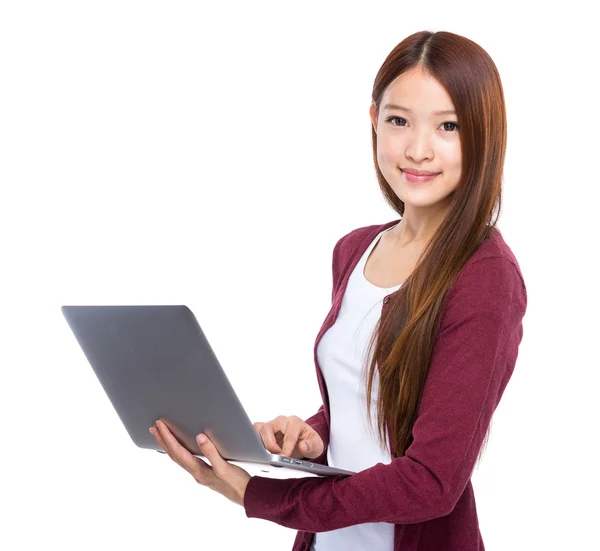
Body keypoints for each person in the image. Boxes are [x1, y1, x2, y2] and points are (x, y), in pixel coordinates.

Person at [150, 29, 528, 551]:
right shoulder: (354, 250)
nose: (418, 150)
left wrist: (261, 497)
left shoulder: (485, 276)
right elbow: (364, 406)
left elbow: (432, 482)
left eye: (448, 126)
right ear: (374, 122)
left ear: (484, 136)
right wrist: (312, 436)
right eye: (399, 121)